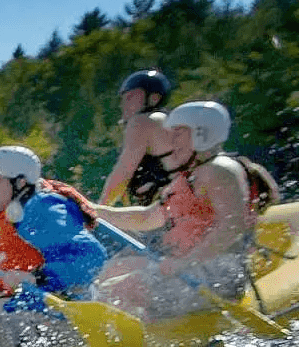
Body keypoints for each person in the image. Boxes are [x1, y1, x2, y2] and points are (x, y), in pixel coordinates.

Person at [92, 101, 260, 320]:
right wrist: (92, 211)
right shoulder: (188, 176)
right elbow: (147, 217)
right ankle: (139, 332)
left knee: (125, 287)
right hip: (193, 269)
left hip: (219, 274)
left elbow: (232, 226)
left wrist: (186, 262)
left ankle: (134, 340)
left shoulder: (219, 170)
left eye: (179, 134)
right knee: (112, 273)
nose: (172, 141)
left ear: (202, 134)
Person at [0, 146, 108, 347]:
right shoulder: (19, 212)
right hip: (37, 308)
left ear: (20, 182)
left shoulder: (42, 208)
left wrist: (39, 277)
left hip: (60, 318)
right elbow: (2, 273)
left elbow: (92, 256)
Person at [98, 70, 182, 206]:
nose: (123, 104)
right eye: (123, 99)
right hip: (180, 207)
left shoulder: (143, 121)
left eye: (130, 97)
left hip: (173, 210)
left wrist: (98, 213)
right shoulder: (164, 120)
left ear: (154, 98)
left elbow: (121, 176)